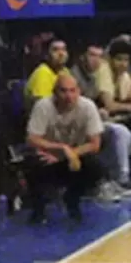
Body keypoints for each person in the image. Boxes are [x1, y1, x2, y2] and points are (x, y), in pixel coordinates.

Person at [25, 73, 105, 223]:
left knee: (96, 167)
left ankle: (72, 198)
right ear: (54, 92)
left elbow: (95, 144)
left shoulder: (87, 107)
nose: (68, 95)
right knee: (33, 163)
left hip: (72, 158)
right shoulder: (43, 106)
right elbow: (32, 139)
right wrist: (60, 148)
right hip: (48, 156)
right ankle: (38, 209)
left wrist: (70, 153)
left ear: (79, 91)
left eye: (72, 90)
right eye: (63, 91)